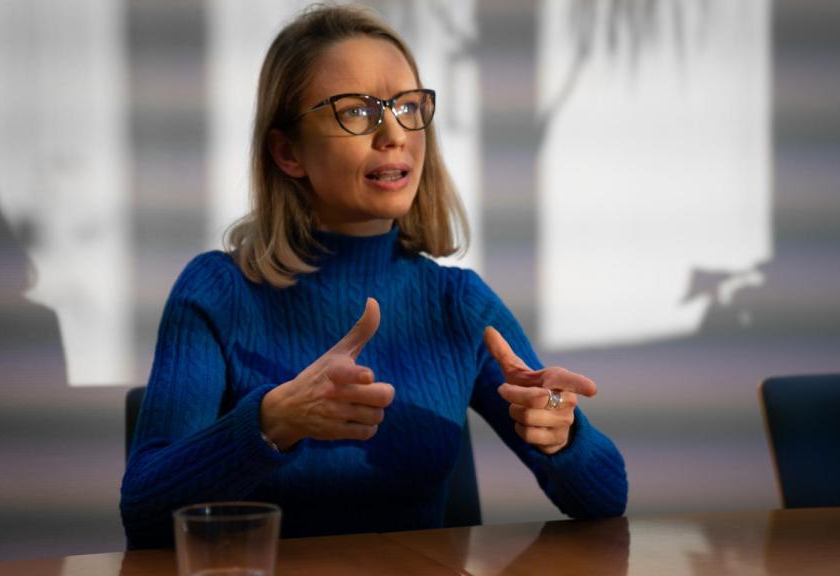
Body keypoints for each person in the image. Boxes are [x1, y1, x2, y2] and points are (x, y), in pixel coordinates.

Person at [120, 4, 627, 549]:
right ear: (288, 152)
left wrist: (561, 430)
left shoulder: (458, 304)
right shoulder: (216, 293)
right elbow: (144, 512)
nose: (394, 133)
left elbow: (606, 499)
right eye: (357, 112)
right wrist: (272, 422)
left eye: (408, 106)